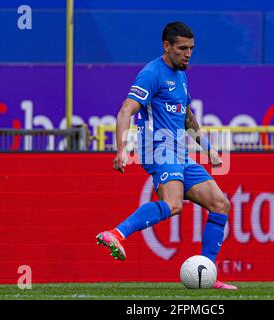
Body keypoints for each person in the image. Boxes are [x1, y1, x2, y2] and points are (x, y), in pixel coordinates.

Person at [96, 21, 237, 290]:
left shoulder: (181, 74)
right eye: (182, 48)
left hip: (180, 152)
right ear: (166, 46)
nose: (188, 54)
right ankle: (115, 234)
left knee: (221, 204)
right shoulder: (151, 73)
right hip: (158, 150)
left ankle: (207, 273)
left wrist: (208, 150)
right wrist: (121, 149)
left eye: (191, 48)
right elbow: (126, 110)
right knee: (173, 204)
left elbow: (186, 116)